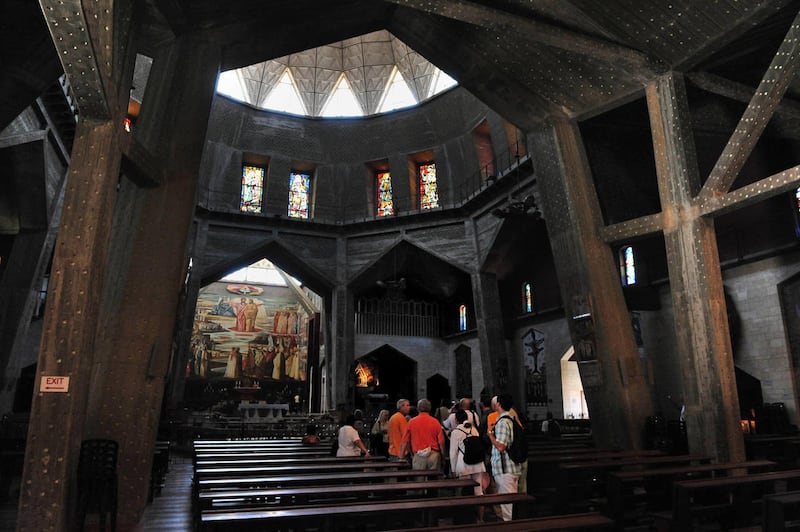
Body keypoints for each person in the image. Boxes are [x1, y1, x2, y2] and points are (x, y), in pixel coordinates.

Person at [449, 409, 488, 522]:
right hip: (477, 464)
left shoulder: (456, 432)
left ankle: (464, 518)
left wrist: (453, 469)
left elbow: (453, 453)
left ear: (456, 419)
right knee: (478, 492)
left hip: (463, 464)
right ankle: (480, 519)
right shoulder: (474, 429)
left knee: (463, 493)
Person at [487, 393, 521, 521]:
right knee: (510, 504)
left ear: (499, 404)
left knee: (507, 507)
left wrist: (490, 434)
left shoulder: (502, 422)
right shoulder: (511, 419)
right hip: (510, 467)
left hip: (505, 469)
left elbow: (501, 446)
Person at [399, 398, 445, 471]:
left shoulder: (411, 422)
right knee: (434, 481)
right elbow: (441, 442)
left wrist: (401, 457)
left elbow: (405, 441)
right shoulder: (435, 422)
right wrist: (443, 456)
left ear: (418, 408)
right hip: (434, 456)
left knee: (419, 481)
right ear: (429, 408)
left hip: (418, 456)